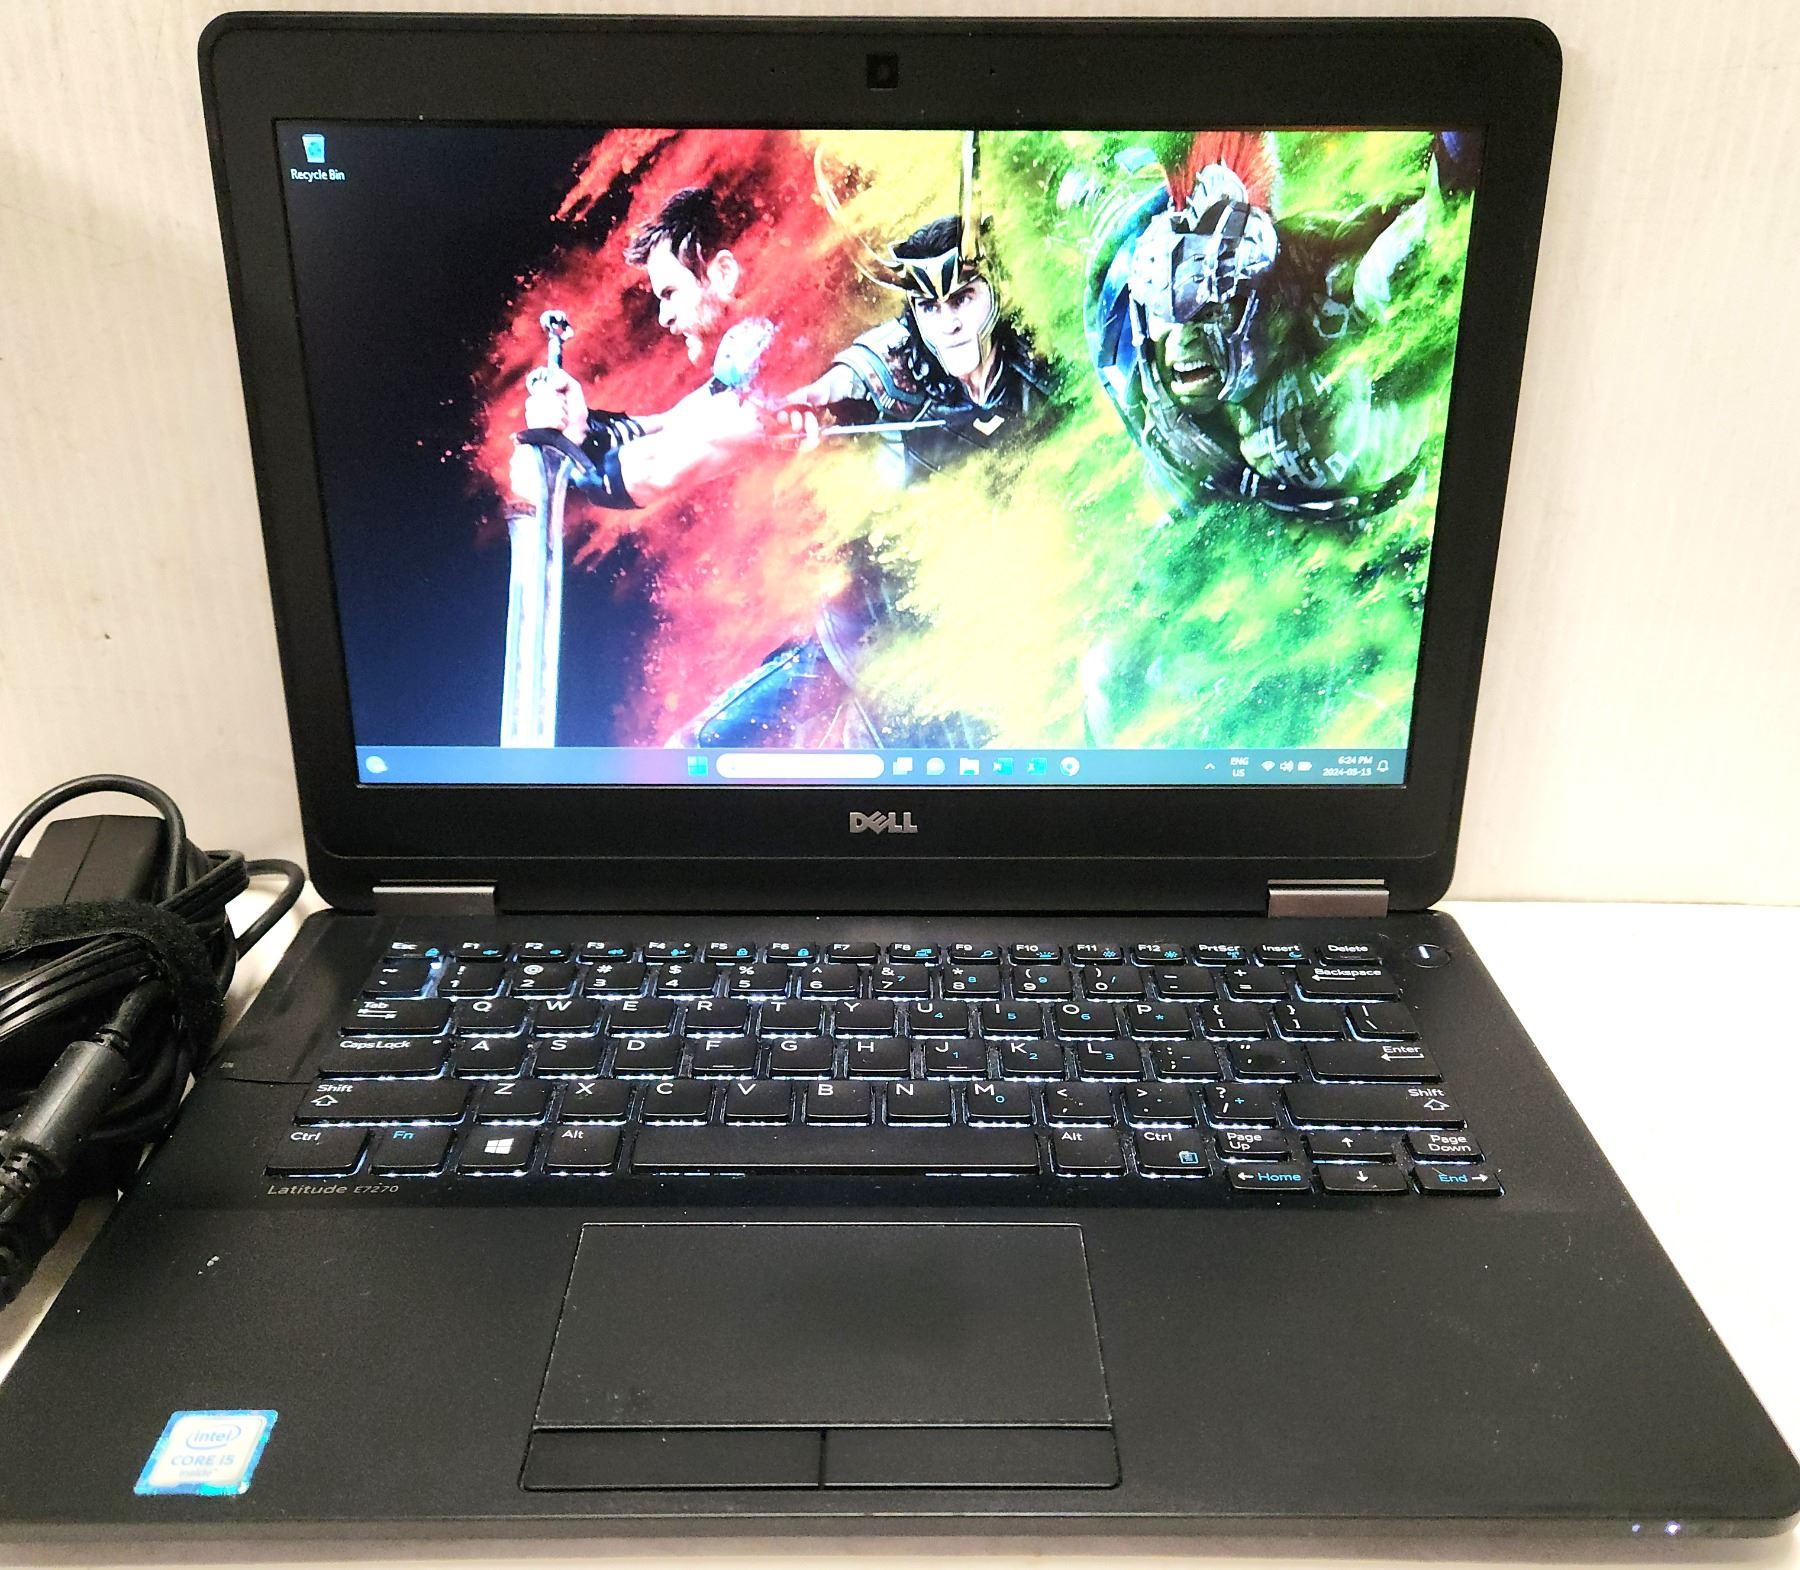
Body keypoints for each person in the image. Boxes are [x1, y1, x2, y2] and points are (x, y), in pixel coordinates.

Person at [509, 185, 771, 511]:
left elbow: (653, 469)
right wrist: (585, 429)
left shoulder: (785, 362)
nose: (664, 317)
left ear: (724, 273)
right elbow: (673, 422)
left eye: (670, 293)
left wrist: (562, 466)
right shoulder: (751, 361)